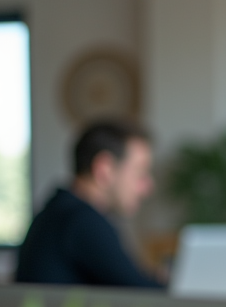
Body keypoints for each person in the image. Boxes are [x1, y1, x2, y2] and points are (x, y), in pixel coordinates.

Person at [15, 120, 163, 288]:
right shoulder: (82, 221)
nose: (149, 187)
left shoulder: (59, 211)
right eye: (140, 173)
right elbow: (146, 294)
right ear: (104, 169)